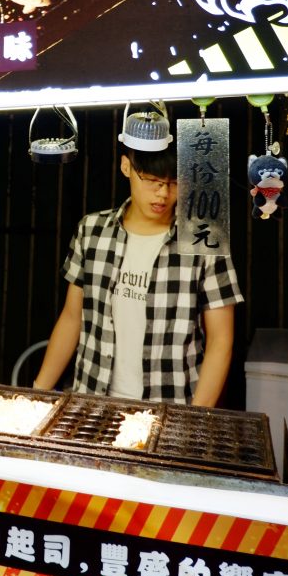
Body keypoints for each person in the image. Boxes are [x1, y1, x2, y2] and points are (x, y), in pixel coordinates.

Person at [33, 144, 243, 406]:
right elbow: (72, 317)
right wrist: (37, 392)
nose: (163, 194)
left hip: (171, 408)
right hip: (90, 402)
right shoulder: (92, 230)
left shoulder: (205, 238)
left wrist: (195, 418)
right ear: (126, 167)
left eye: (174, 183)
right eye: (152, 181)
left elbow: (221, 341)